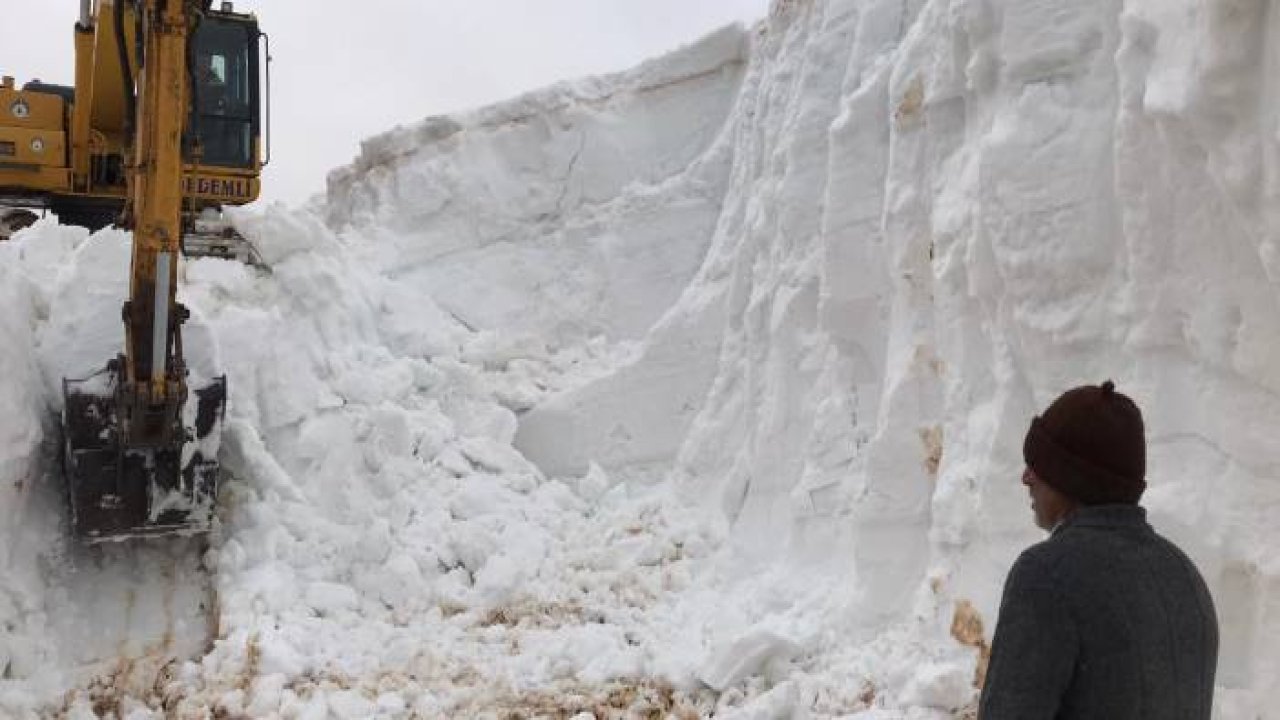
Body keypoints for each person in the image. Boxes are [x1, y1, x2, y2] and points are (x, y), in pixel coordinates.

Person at [978, 381, 1218, 719]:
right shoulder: (1185, 575)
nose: (1026, 477)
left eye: (1040, 466)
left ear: (1071, 478)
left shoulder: (1047, 575)